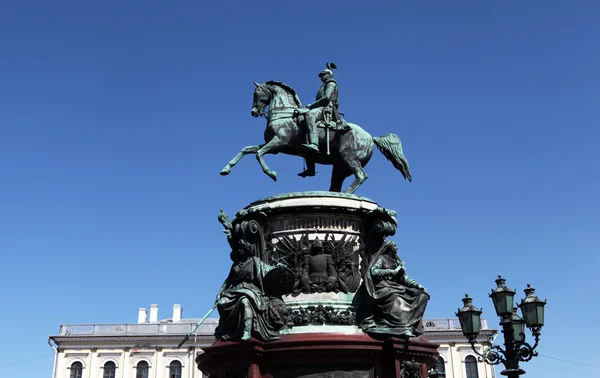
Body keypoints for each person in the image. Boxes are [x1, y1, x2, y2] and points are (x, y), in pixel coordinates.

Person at [214, 240, 287, 342]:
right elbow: (228, 280)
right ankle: (230, 331)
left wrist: (278, 267)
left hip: (250, 289)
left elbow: (267, 269)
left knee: (245, 302)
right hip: (235, 290)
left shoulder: (255, 262)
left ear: (247, 250)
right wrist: (219, 292)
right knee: (222, 303)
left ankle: (246, 331)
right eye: (239, 249)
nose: (240, 251)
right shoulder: (236, 264)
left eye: (242, 249)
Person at [357, 240, 430, 338]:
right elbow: (374, 271)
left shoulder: (397, 262)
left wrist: (418, 286)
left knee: (422, 296)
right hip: (383, 286)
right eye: (395, 246)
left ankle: (410, 326)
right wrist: (391, 272)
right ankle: (401, 326)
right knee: (395, 297)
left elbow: (405, 279)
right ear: (389, 248)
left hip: (397, 287)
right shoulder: (382, 258)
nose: (397, 248)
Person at [298, 63, 349, 177]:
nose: (321, 77)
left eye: (323, 75)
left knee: (309, 115)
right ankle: (310, 169)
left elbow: (326, 98)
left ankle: (314, 144)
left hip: (327, 108)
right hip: (321, 107)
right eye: (321, 76)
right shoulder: (324, 85)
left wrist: (311, 105)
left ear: (328, 75)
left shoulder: (331, 83)